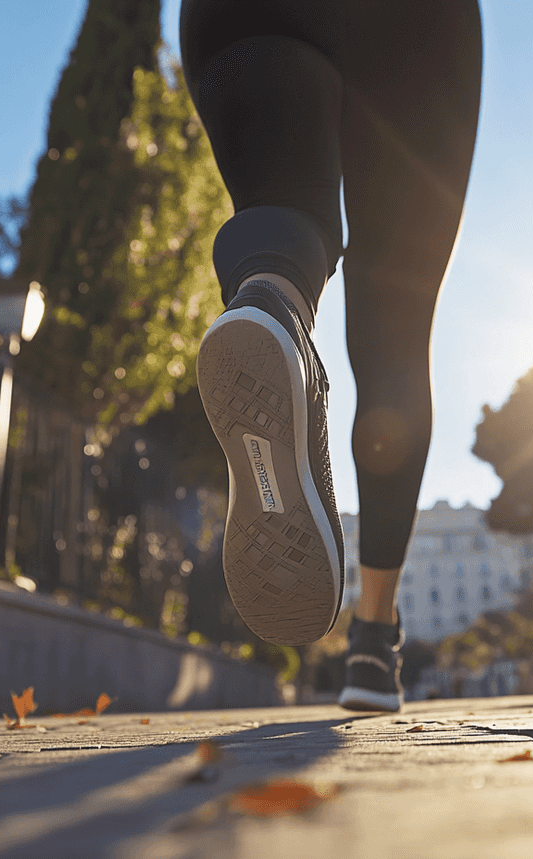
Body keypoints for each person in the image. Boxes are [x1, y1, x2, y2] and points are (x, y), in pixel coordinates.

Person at [181, 0, 482, 712]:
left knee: (282, 215)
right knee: (394, 329)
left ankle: (274, 301)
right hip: (413, 28)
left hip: (235, 18)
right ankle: (375, 636)